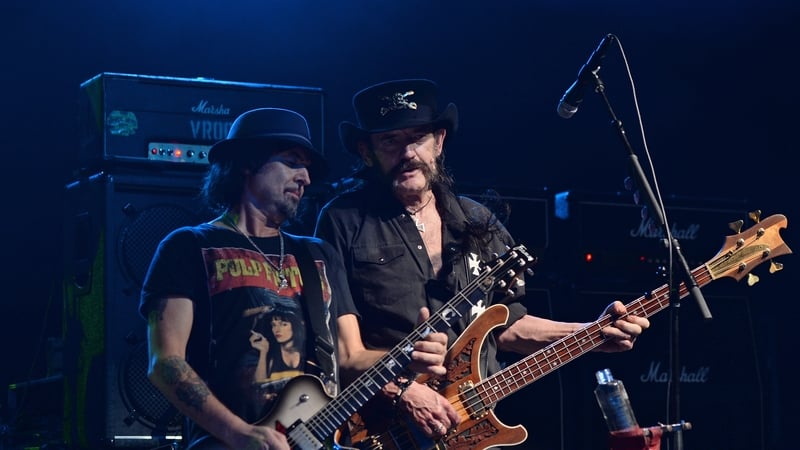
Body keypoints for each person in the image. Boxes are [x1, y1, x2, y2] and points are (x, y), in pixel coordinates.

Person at [314, 79, 651, 445]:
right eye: (390, 140)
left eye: (418, 137)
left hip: (471, 431)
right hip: (385, 432)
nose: (407, 152)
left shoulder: (477, 221)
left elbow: (506, 326)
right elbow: (344, 355)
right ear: (367, 152)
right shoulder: (341, 221)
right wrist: (401, 391)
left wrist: (591, 333)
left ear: (439, 141)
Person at [139, 107, 457, 450]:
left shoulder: (317, 255)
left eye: (307, 168)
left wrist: (405, 355)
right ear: (246, 163)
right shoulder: (189, 246)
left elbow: (349, 357)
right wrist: (239, 433)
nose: (305, 177)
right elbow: (165, 362)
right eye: (292, 162)